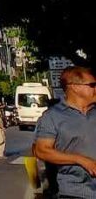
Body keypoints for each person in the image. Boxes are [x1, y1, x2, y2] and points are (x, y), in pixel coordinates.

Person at [33, 66, 96, 198]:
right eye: (92, 85)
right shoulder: (52, 116)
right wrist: (81, 160)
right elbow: (41, 150)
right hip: (76, 191)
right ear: (74, 87)